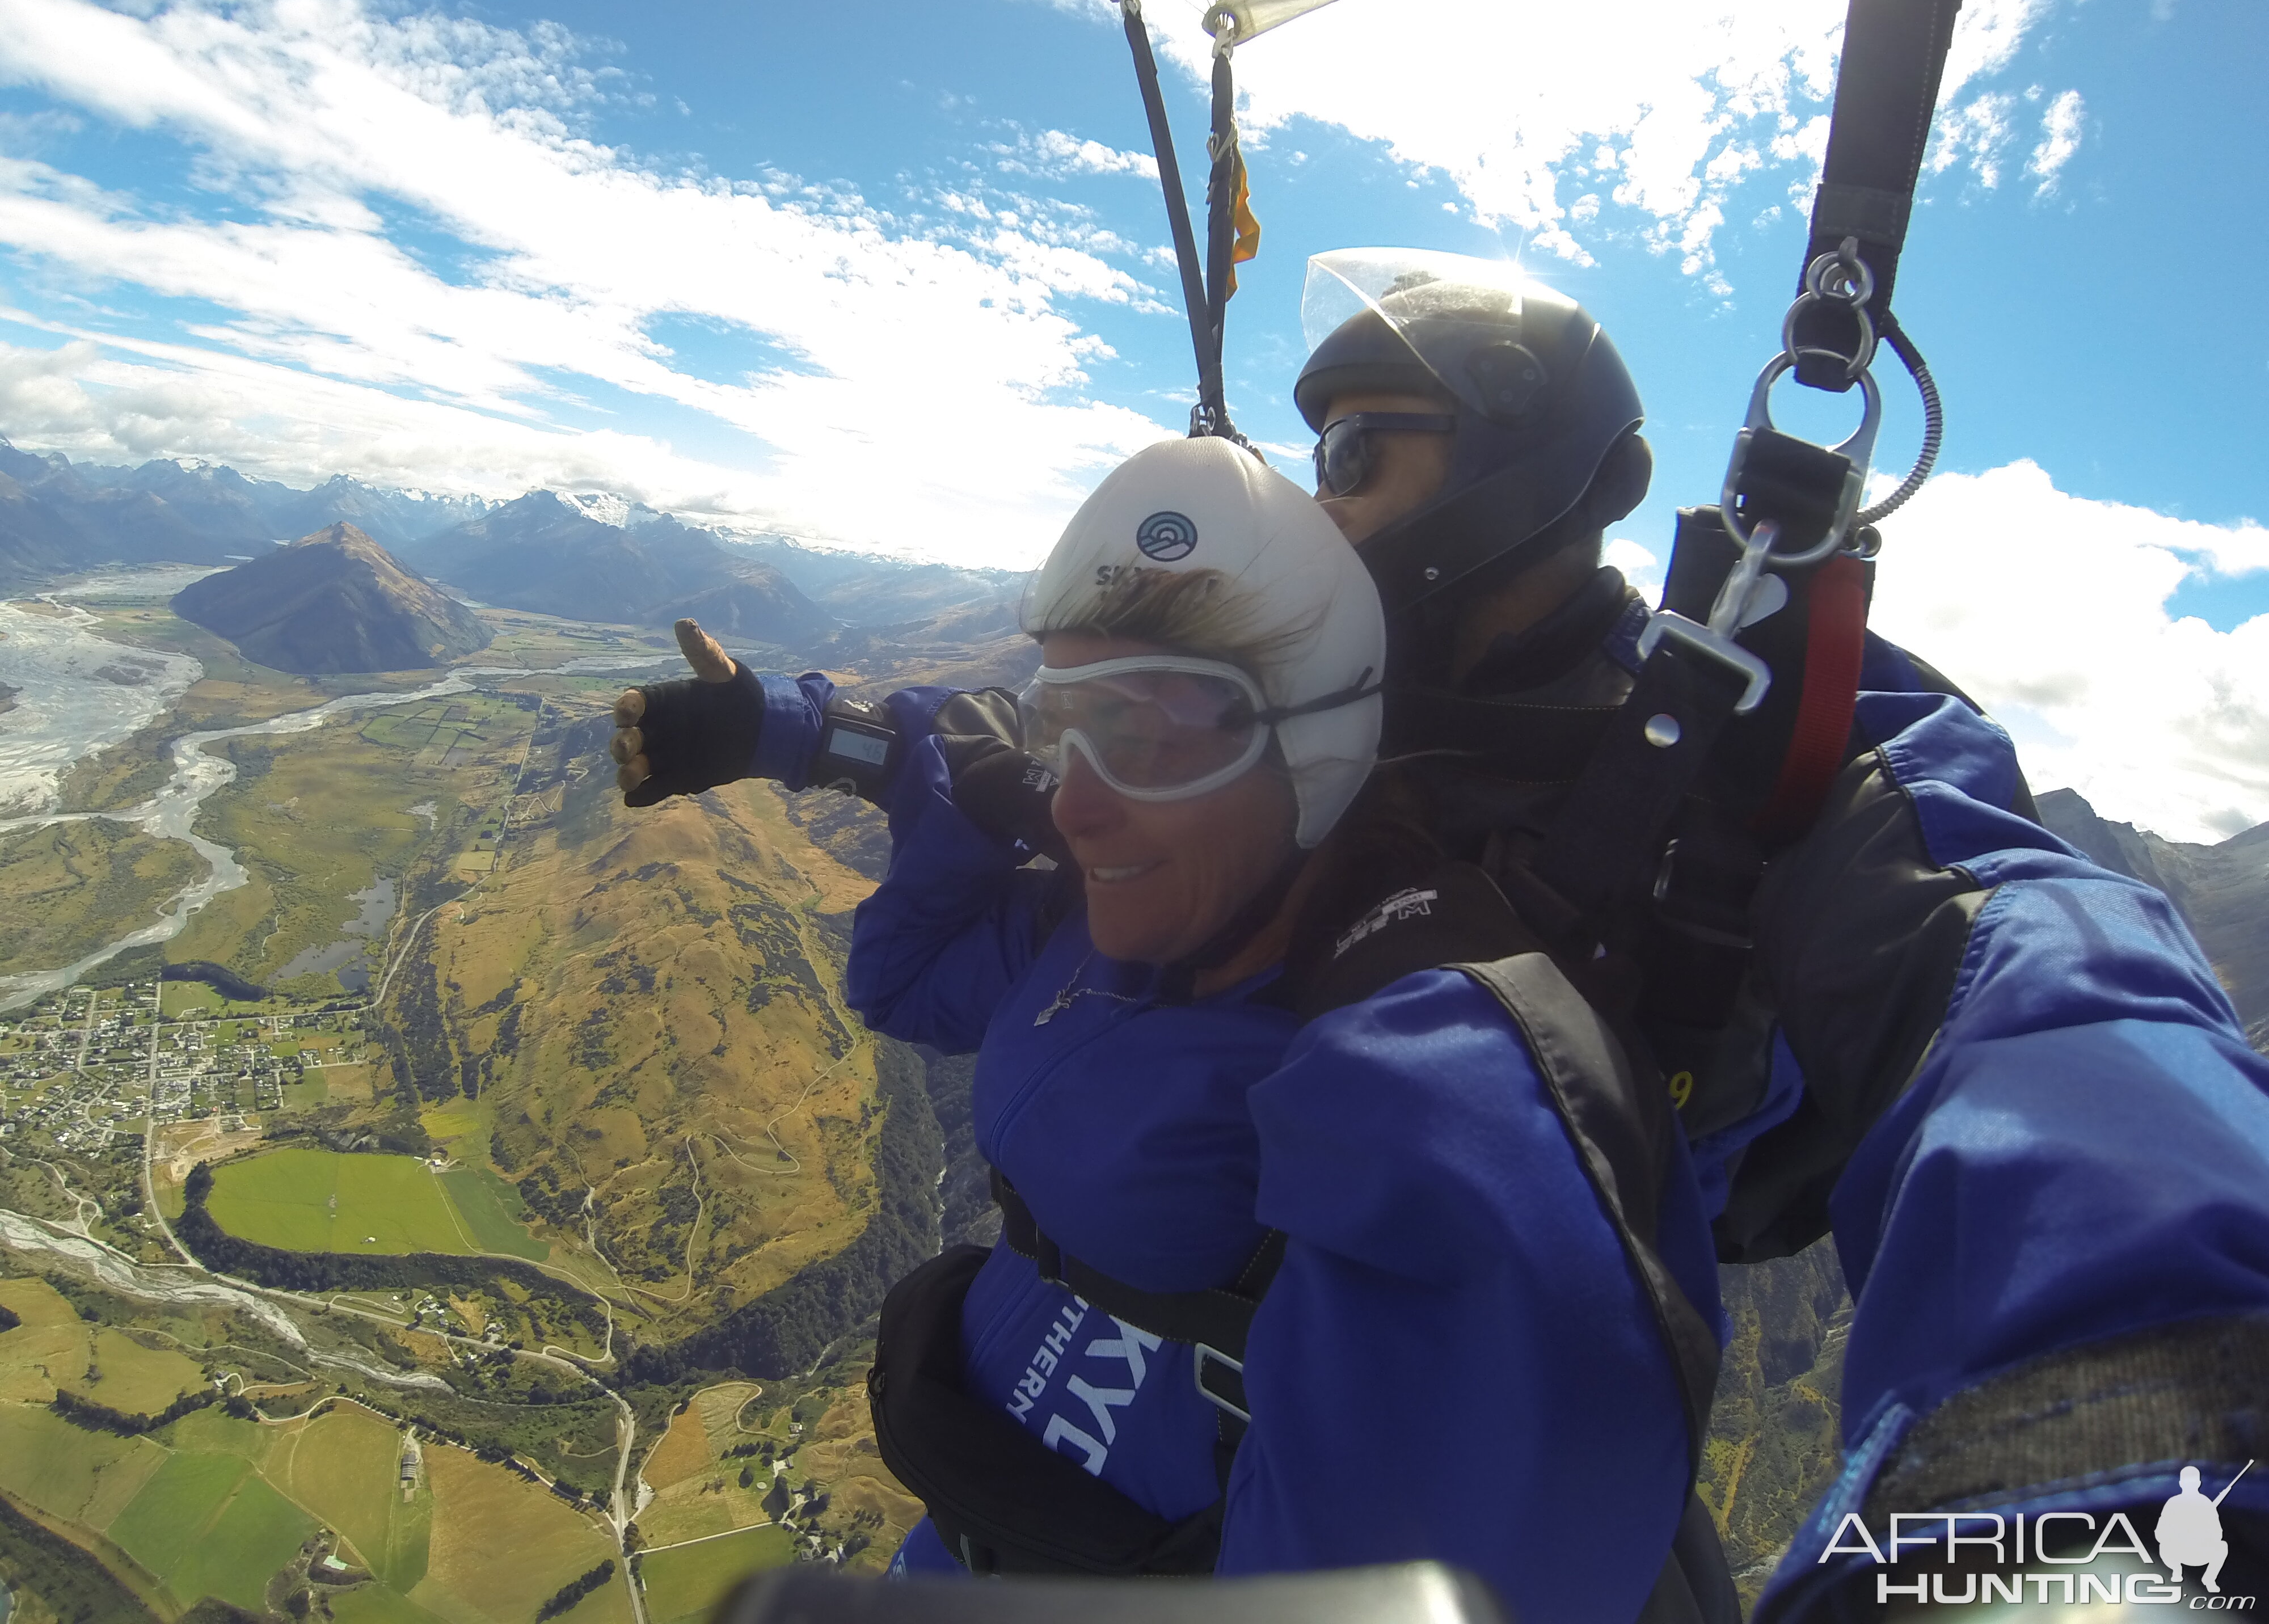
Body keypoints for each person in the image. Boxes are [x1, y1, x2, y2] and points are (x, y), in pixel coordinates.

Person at [613, 437, 1752, 1623]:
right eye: (1069, 725)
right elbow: (918, 945)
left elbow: (1502, 1444)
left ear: (1311, 741)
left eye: (1149, 735)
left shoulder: (1418, 1050)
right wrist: (792, 736)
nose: (1073, 800)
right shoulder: (1116, 927)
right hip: (981, 1523)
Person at [1287, 248, 2269, 1617]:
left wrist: (2130, 1422)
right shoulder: (1310, 705)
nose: (1313, 511)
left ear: (1512, 472)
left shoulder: (1755, 746)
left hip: (1515, 1445)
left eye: (1347, 454)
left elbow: (2036, 987)